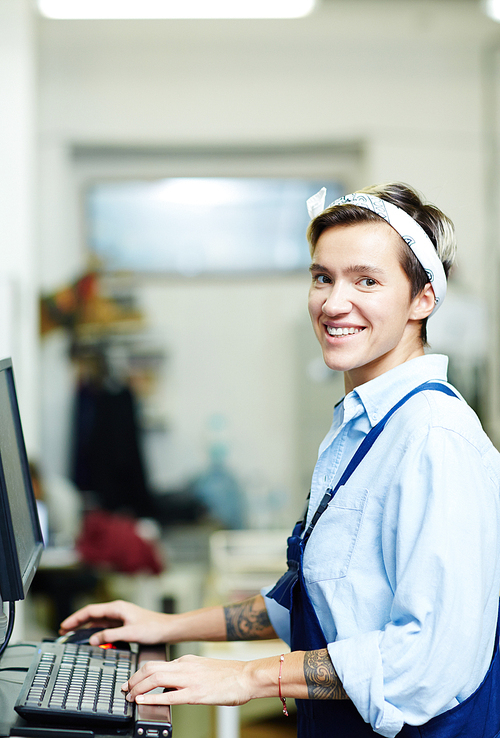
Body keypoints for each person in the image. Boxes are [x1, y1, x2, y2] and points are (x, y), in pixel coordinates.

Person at [60, 183, 500, 738]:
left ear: (423, 299)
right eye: (323, 277)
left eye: (366, 280)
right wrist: (164, 624)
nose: (334, 303)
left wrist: (248, 677)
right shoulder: (360, 427)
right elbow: (316, 602)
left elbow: (427, 660)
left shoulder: (435, 440)